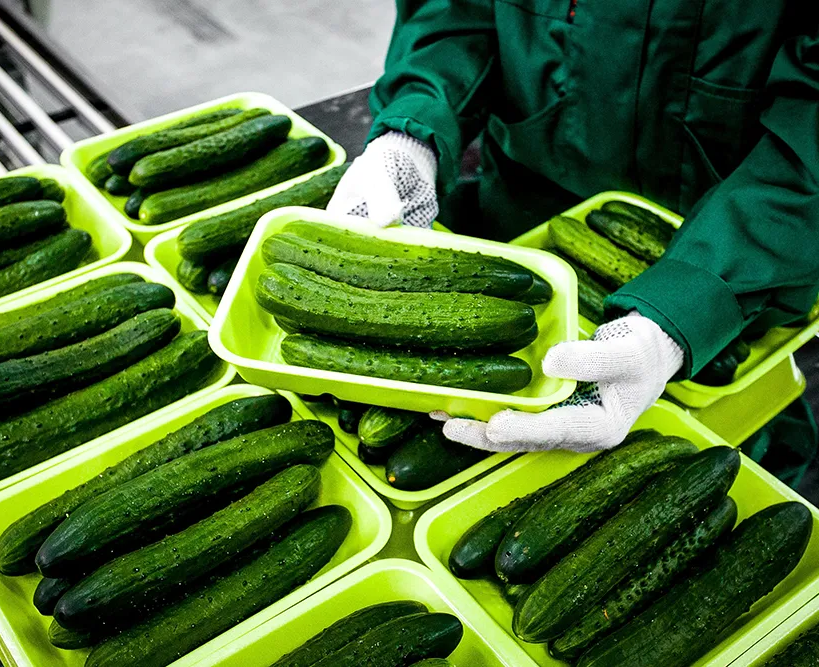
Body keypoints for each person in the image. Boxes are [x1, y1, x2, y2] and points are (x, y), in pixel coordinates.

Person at [327, 0, 819, 484]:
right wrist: (416, 128)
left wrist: (698, 300)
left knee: (736, 452)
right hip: (521, 213)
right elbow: (455, 10)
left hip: (746, 257)